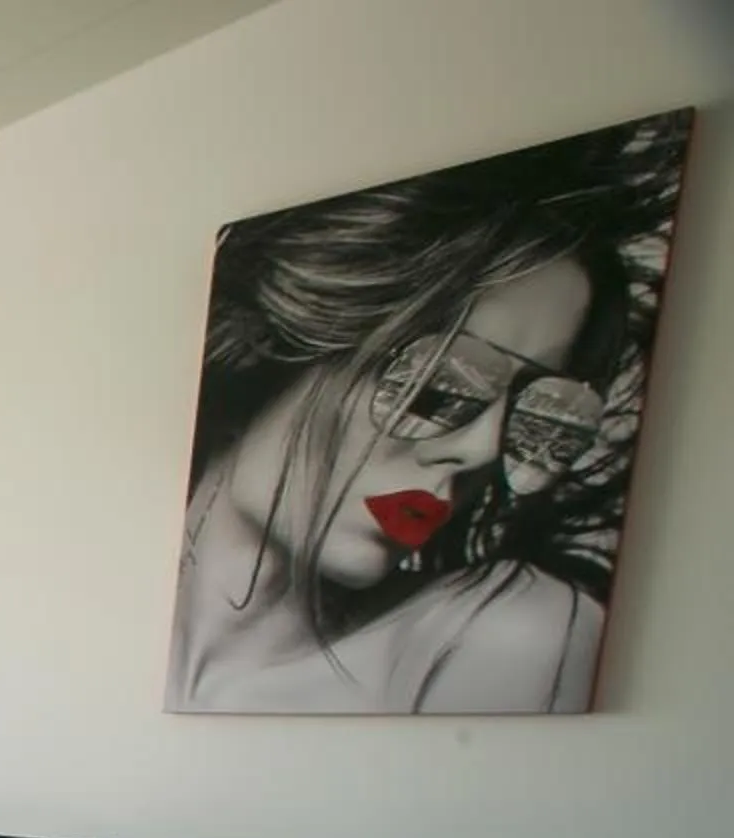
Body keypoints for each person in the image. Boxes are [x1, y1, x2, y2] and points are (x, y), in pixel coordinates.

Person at [169, 115, 687, 715]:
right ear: (273, 351)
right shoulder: (95, 606)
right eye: (444, 382)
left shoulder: (505, 630)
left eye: (540, 415)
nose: (483, 450)